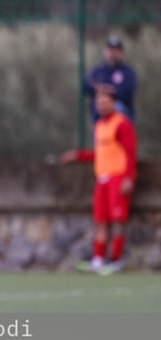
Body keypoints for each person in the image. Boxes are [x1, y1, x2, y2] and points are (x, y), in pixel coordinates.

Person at [61, 84, 138, 275]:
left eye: (105, 101)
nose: (101, 105)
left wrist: (129, 177)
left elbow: (130, 153)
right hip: (101, 179)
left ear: (113, 103)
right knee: (100, 221)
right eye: (98, 102)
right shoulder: (99, 125)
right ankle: (98, 260)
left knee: (118, 221)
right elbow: (100, 153)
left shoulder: (122, 124)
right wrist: (77, 155)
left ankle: (116, 261)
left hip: (118, 177)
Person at [83, 35, 137, 123]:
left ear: (121, 52)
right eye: (110, 50)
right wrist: (108, 89)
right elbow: (86, 86)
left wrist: (102, 89)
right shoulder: (98, 70)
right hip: (98, 117)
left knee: (117, 107)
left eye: (115, 50)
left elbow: (125, 92)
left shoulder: (127, 72)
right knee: (100, 106)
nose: (112, 53)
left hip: (121, 115)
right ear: (105, 51)